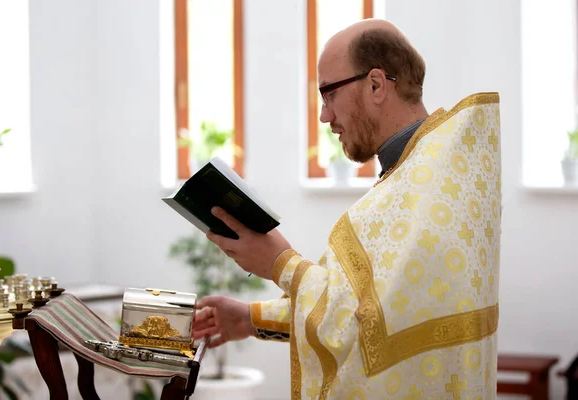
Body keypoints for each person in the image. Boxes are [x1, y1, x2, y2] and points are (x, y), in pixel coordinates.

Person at [193, 18, 501, 399]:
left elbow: (364, 333)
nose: (325, 116)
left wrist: (280, 262)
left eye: (328, 94)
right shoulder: (434, 171)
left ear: (375, 84)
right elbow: (368, 314)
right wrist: (251, 318)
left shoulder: (422, 188)